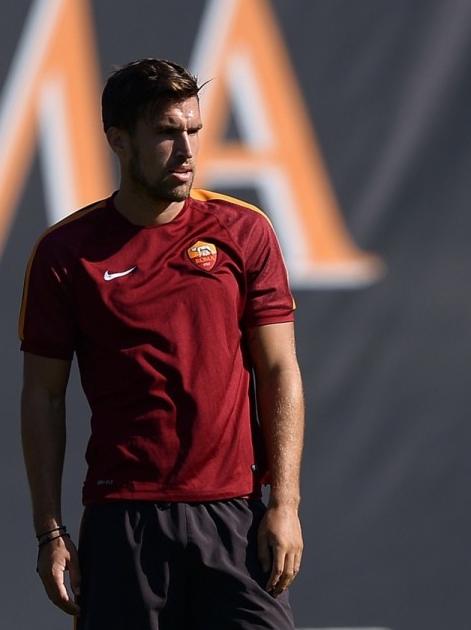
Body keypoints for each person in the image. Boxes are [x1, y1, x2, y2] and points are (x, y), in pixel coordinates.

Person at [18, 58, 304, 628]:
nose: (187, 150)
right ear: (119, 141)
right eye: (167, 133)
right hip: (123, 521)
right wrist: (50, 532)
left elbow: (280, 370)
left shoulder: (245, 230)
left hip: (234, 519)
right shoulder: (65, 253)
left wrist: (286, 504)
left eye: (193, 130)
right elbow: (43, 396)